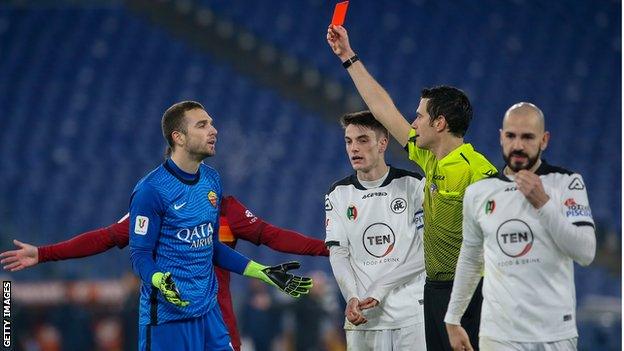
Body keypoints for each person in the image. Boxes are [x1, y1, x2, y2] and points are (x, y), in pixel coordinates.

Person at [327, 25, 497, 350]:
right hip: (434, 291)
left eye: (419, 117)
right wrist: (348, 57)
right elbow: (383, 109)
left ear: (440, 123)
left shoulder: (476, 170)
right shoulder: (428, 157)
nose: (413, 123)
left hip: (469, 292)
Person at [1, 194, 327, 351]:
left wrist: (329, 247)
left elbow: (273, 235)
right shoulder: (153, 209)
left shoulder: (226, 208)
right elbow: (104, 237)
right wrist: (43, 253)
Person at [131, 100, 312, 350]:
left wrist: (262, 272)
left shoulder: (212, 180)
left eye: (212, 124)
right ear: (179, 137)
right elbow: (139, 255)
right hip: (167, 319)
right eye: (202, 125)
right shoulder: (151, 190)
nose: (213, 130)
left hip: (209, 315)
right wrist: (160, 279)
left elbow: (212, 247)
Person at [444, 102, 596, 351]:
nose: (518, 145)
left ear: (544, 140)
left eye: (527, 137)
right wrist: (452, 319)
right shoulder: (479, 193)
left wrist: (543, 203)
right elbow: (471, 258)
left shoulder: (567, 183)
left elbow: (586, 252)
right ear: (501, 137)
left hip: (555, 333)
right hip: (499, 335)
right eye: (511, 136)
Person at [325, 111, 427, 350]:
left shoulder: (412, 185)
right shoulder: (338, 193)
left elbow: (428, 253)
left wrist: (381, 287)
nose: (354, 149)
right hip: (363, 318)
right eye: (349, 141)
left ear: (383, 143)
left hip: (411, 317)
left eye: (362, 140)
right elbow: (338, 253)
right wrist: (351, 296)